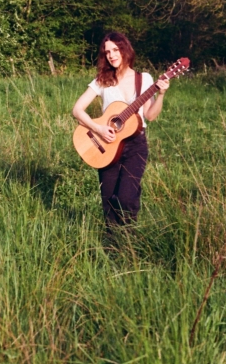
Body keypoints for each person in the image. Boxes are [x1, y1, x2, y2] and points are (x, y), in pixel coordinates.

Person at [72, 32, 170, 235]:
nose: (111, 55)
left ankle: (130, 241)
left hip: (136, 145)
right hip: (107, 145)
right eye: (107, 52)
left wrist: (161, 94)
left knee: (126, 197)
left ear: (125, 49)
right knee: (108, 200)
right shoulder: (102, 80)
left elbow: (150, 115)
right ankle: (112, 246)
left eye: (115, 50)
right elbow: (77, 110)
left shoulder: (144, 79)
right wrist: (98, 128)